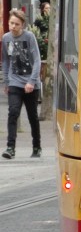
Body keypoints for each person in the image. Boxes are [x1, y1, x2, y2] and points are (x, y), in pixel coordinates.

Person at [1, 8, 42, 159]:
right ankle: (10, 147)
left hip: (31, 83)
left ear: (22, 25)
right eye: (11, 23)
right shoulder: (6, 38)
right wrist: (6, 81)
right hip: (14, 82)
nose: (13, 26)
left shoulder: (29, 37)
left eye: (16, 24)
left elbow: (37, 60)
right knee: (13, 112)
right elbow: (5, 60)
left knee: (33, 116)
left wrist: (32, 81)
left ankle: (37, 146)